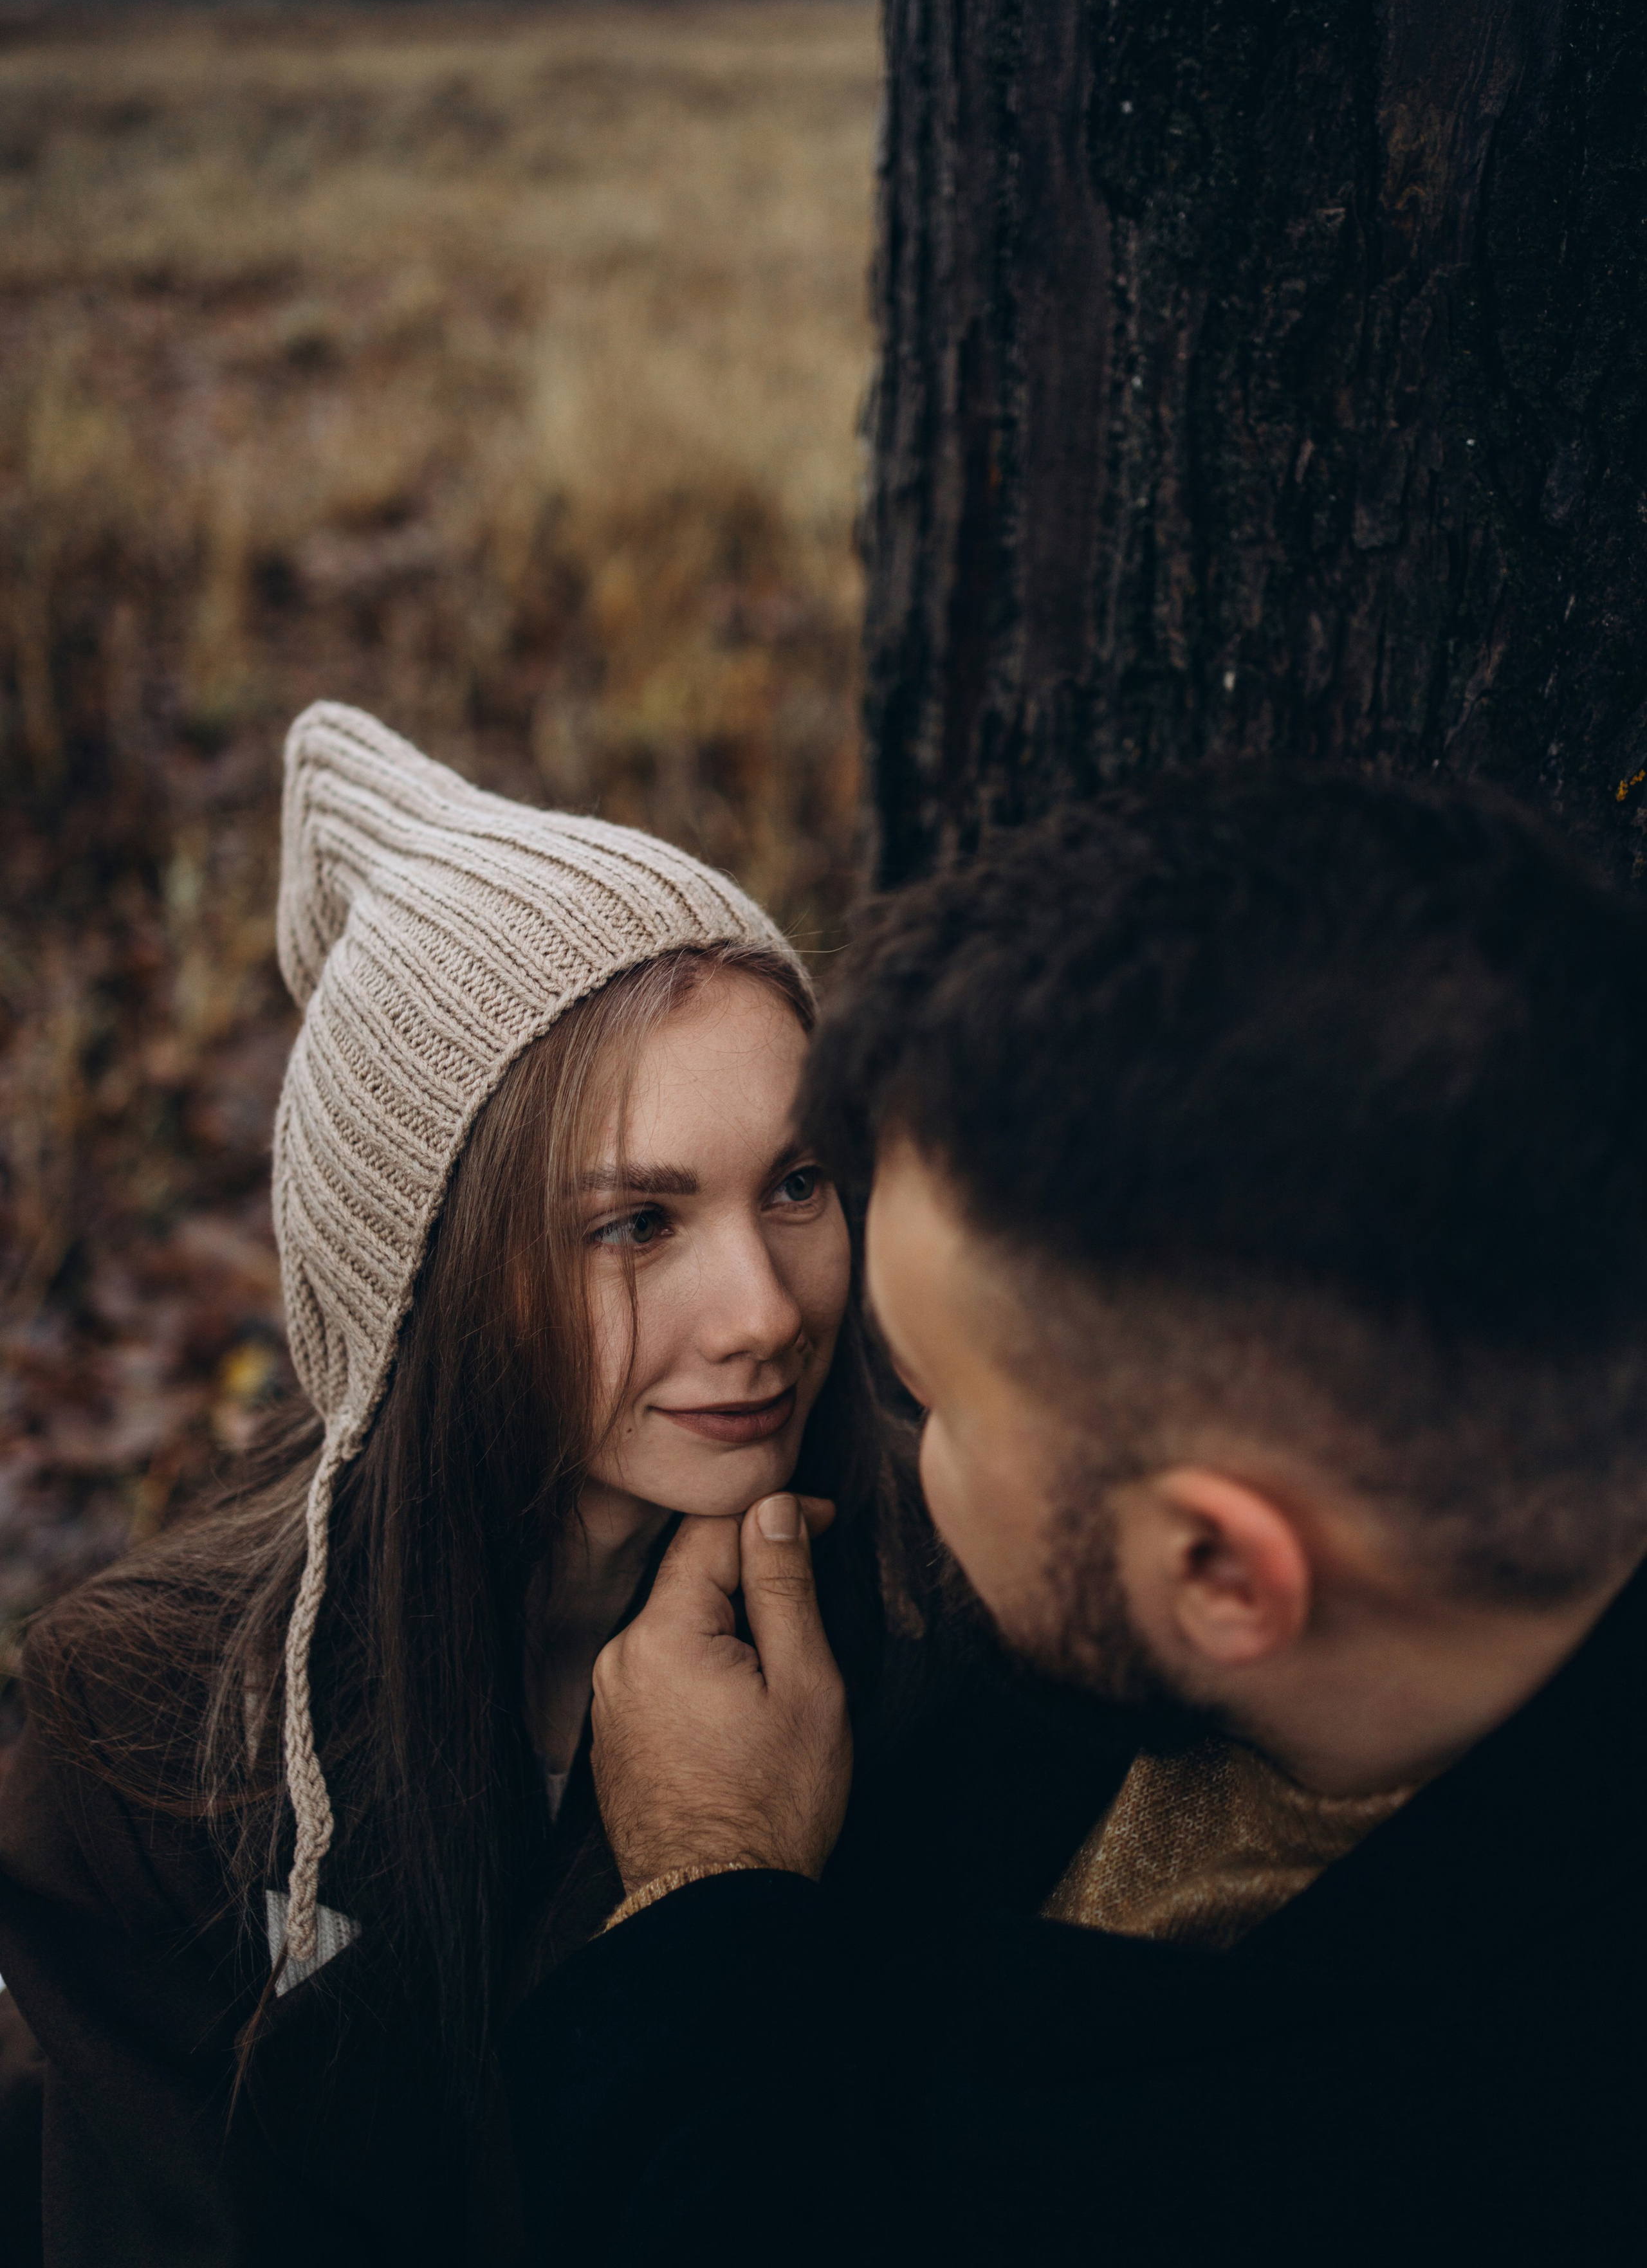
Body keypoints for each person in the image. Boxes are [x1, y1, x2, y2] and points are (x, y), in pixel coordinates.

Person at [0, 704, 1114, 2265]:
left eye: (794, 1184)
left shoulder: (940, 1622)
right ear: (424, 1283)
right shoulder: (156, 1754)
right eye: (635, 1225)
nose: (764, 1311)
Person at [502, 769, 1647, 2267]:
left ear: (1218, 1575)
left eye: (940, 1405)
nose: (898, 1448)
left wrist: (706, 1887)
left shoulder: (1463, 2157)